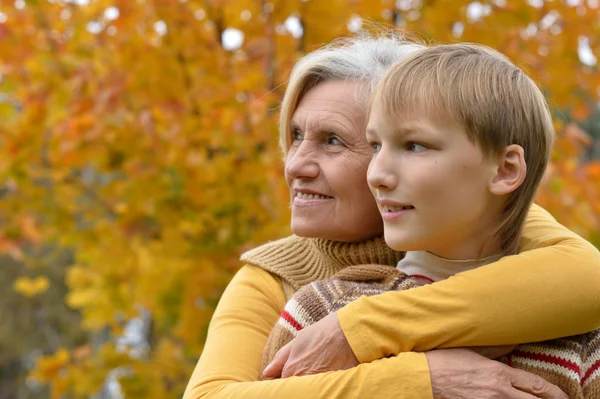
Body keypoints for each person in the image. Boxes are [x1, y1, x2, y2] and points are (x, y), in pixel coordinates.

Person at [182, 34, 600, 399]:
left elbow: (588, 279)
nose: (295, 165)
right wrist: (420, 381)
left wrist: (358, 330)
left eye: (333, 141)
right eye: (294, 135)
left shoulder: (493, 224)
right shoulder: (289, 289)